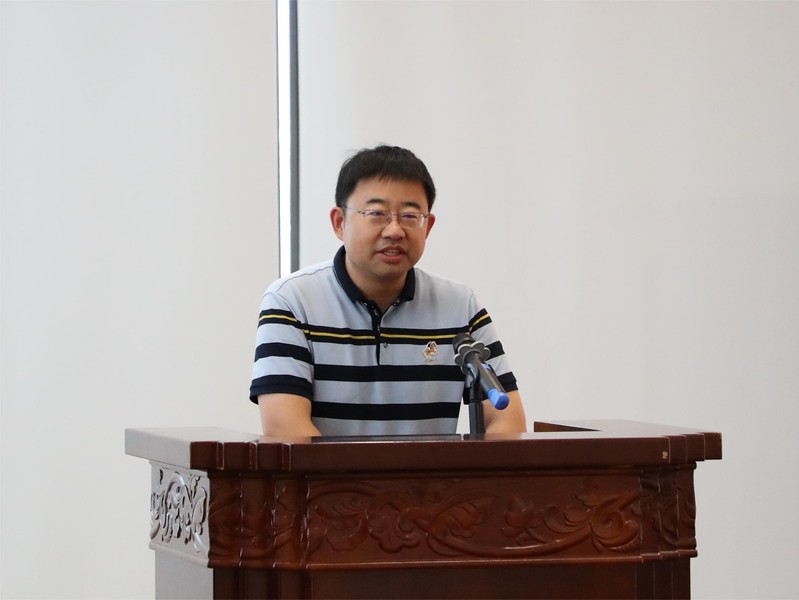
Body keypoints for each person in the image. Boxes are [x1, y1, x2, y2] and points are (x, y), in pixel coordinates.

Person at [250, 145, 527, 437]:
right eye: (377, 213)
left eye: (410, 216)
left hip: (434, 471)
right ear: (339, 222)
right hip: (327, 472)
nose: (394, 230)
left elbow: (507, 422)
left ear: (428, 226)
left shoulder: (460, 307)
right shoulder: (292, 302)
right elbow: (286, 430)